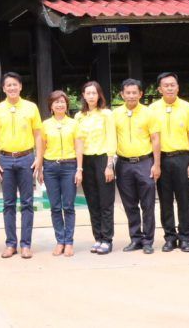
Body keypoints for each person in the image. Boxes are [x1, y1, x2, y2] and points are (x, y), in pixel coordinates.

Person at [0, 71, 42, 258]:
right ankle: (10, 244)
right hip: (5, 159)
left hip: (26, 158)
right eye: (8, 85)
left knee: (27, 203)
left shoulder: (31, 107)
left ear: (20, 87)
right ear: (4, 88)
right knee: (8, 203)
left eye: (15, 84)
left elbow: (38, 135)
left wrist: (39, 158)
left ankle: (26, 244)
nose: (12, 87)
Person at [148, 72, 189, 252]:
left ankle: (184, 238)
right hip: (161, 159)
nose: (169, 88)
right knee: (165, 201)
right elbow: (151, 137)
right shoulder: (152, 109)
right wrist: (155, 164)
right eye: (165, 85)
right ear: (159, 89)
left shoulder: (188, 108)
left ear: (178, 87)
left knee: (184, 200)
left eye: (172, 85)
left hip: (182, 158)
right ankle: (169, 238)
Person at [113, 79, 160, 255]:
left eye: (135, 92)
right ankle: (135, 239)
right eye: (128, 93)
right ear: (122, 94)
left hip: (144, 162)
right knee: (129, 204)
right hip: (123, 164)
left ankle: (148, 241)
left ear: (140, 94)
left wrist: (156, 164)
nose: (131, 96)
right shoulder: (115, 114)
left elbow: (155, 139)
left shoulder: (149, 113)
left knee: (148, 204)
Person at [38, 90, 82, 257]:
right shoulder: (45, 125)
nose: (60, 104)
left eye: (62, 102)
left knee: (68, 206)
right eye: (56, 102)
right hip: (50, 167)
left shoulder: (74, 124)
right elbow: (42, 147)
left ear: (67, 105)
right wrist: (40, 169)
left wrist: (79, 169)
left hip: (69, 166)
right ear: (51, 106)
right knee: (55, 207)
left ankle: (69, 242)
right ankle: (60, 241)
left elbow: (78, 147)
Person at [76, 80, 117, 254]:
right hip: (86, 161)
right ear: (83, 96)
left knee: (106, 202)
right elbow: (78, 142)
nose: (91, 96)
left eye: (94, 93)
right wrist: (79, 168)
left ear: (99, 95)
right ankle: (98, 237)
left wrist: (110, 165)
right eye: (88, 93)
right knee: (92, 202)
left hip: (103, 159)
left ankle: (107, 239)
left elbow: (111, 139)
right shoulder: (79, 116)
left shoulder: (106, 114)